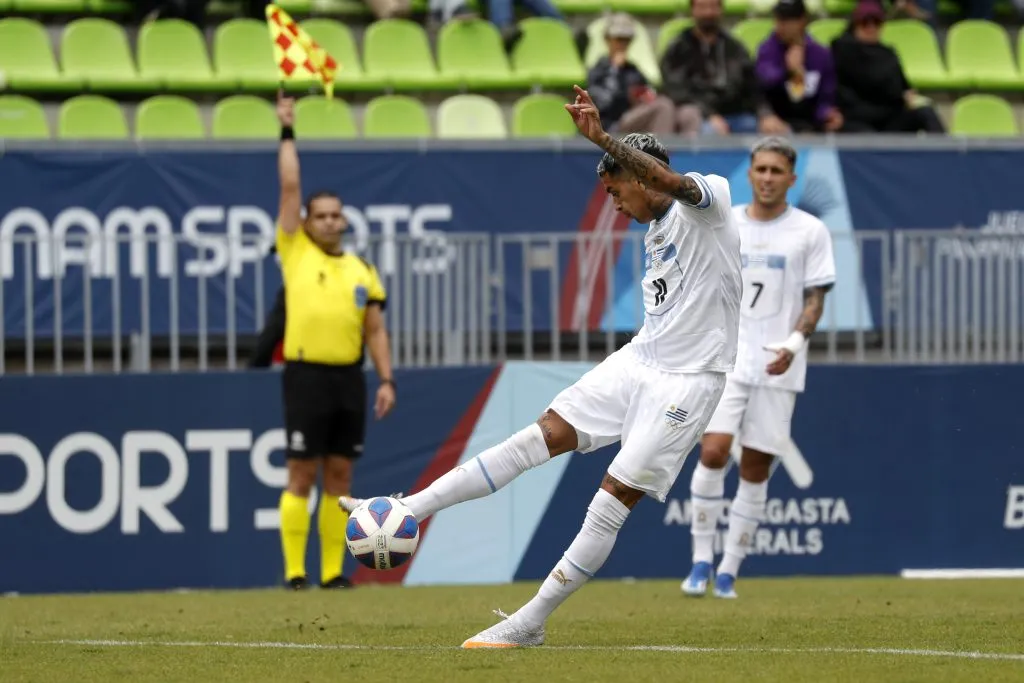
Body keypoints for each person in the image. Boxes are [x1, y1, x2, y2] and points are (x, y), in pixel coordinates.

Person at [341, 86, 742, 648]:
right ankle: (408, 508)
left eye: (614, 189)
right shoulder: (654, 233)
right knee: (539, 436)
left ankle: (530, 621)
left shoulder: (711, 203)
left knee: (610, 498)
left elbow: (675, 184)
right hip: (641, 358)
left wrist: (604, 138)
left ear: (639, 176)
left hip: (690, 379)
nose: (612, 203)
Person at [680, 137, 835, 599]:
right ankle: (700, 562)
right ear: (749, 174)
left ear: (792, 177)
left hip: (777, 363)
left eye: (776, 170)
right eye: (760, 169)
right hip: (726, 358)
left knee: (755, 466)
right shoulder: (727, 224)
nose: (767, 177)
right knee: (712, 453)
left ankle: (730, 568)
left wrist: (793, 342)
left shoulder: (810, 231)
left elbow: (816, 297)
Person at [273, 91, 397, 590]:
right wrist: (286, 128)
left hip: (349, 376)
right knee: (301, 474)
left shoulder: (362, 269)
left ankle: (331, 573)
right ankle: (294, 572)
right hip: (306, 375)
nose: (329, 221)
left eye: (335, 215)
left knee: (340, 477)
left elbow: (375, 330)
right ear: (306, 221)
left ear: (344, 220)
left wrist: (386, 378)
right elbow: (288, 185)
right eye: (319, 215)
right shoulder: (295, 251)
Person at [659, 0, 787, 136]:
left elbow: (752, 86)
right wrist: (709, 114)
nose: (708, 13)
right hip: (698, 115)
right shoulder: (678, 49)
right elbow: (677, 91)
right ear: (692, 10)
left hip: (735, 114)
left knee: (776, 132)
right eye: (702, 7)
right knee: (710, 132)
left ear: (721, 10)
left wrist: (765, 114)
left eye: (713, 7)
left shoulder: (734, 48)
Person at [831, 1, 945, 134]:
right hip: (857, 118)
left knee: (926, 113)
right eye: (865, 22)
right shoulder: (841, 50)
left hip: (890, 117)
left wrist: (907, 94)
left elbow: (904, 87)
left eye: (877, 22)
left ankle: (949, 153)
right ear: (855, 25)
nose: (871, 28)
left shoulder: (888, 53)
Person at [756, 0, 843, 133]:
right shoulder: (767, 50)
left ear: (802, 21)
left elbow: (827, 95)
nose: (780, 25)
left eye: (787, 20)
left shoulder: (821, 55)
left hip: (812, 124)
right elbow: (764, 83)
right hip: (777, 120)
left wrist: (827, 113)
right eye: (779, 19)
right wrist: (789, 71)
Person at [587, 12, 676, 135]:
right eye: (619, 39)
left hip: (633, 120)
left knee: (666, 106)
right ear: (607, 40)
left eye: (626, 40)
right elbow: (603, 104)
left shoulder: (632, 70)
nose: (622, 44)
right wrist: (615, 70)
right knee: (664, 106)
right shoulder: (599, 70)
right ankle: (660, 152)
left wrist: (643, 96)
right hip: (611, 126)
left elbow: (648, 94)